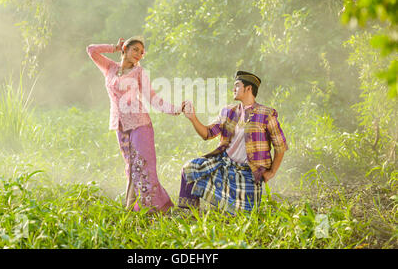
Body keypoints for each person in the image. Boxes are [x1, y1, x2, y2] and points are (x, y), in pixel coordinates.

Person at [86, 36, 182, 213]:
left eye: (141, 51)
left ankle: (158, 208)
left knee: (143, 166)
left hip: (140, 124)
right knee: (130, 167)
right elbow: (91, 50)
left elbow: (152, 98)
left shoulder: (139, 73)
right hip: (120, 125)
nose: (139, 54)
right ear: (125, 49)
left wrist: (175, 109)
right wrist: (114, 47)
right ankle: (133, 207)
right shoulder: (110, 68)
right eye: (135, 49)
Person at [178, 71, 288, 214]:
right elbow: (208, 133)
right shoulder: (228, 111)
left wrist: (272, 172)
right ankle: (190, 213)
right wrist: (192, 118)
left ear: (248, 88)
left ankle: (229, 204)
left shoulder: (266, 114)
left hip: (248, 173)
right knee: (189, 168)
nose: (233, 89)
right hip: (224, 165)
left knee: (244, 214)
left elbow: (280, 147)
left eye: (237, 85)